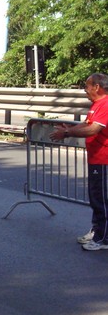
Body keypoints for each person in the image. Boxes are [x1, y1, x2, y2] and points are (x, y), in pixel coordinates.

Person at [50, 73, 108, 251]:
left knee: (101, 200)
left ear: (97, 87)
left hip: (103, 160)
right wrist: (70, 129)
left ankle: (103, 238)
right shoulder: (97, 105)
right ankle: (97, 230)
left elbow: (93, 129)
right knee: (95, 198)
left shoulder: (105, 104)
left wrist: (67, 134)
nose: (85, 89)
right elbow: (86, 124)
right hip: (96, 159)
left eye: (87, 85)